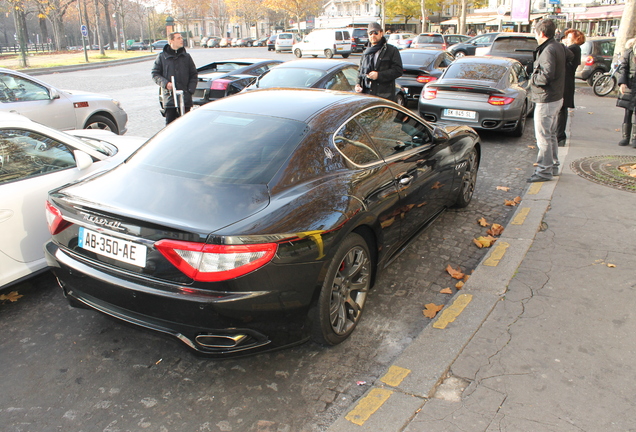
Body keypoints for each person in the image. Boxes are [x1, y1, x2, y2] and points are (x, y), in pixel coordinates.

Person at [527, 19, 569, 183]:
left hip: (547, 98)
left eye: (535, 32)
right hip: (556, 96)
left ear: (541, 33)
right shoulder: (558, 46)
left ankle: (544, 171)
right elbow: (570, 56)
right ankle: (553, 167)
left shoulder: (549, 49)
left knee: (543, 138)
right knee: (550, 135)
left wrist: (533, 79)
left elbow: (546, 75)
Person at [151, 32, 198, 126]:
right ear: (171, 40)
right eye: (178, 38)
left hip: (185, 98)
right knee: (170, 126)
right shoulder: (162, 57)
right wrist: (165, 84)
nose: (181, 40)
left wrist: (190, 90)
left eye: (181, 38)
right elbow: (155, 74)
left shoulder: (186, 57)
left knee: (186, 125)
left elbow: (194, 74)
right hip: (170, 98)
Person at [355, 22, 403, 102]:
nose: (373, 35)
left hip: (383, 97)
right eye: (370, 33)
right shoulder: (366, 51)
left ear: (381, 33)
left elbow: (398, 71)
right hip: (366, 95)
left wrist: (379, 75)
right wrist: (358, 84)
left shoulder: (391, 50)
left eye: (375, 33)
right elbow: (360, 71)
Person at [556, 29, 585, 147]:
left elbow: (562, 53)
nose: (567, 38)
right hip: (566, 82)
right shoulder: (572, 48)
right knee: (562, 109)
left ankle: (560, 136)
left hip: (565, 82)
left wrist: (560, 41)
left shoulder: (574, 48)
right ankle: (559, 135)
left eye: (569, 36)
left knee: (561, 109)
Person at [617, 38, 636, 147]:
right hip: (630, 84)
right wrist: (622, 83)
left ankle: (635, 138)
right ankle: (625, 137)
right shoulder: (629, 52)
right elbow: (623, 68)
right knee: (628, 112)